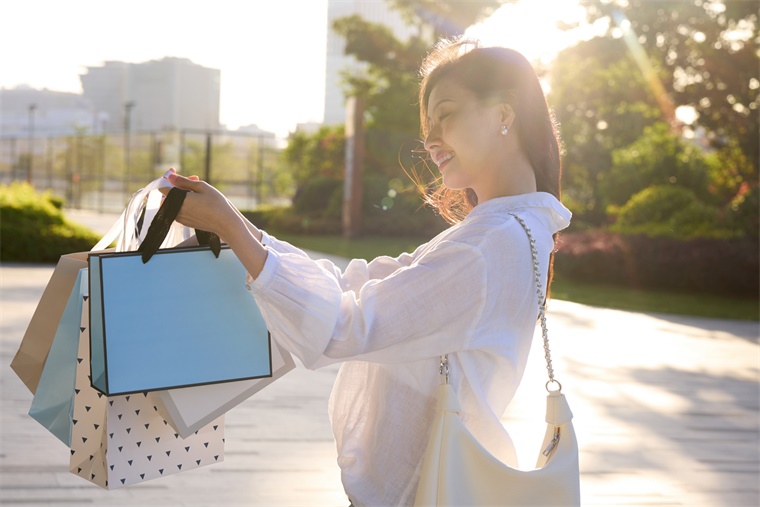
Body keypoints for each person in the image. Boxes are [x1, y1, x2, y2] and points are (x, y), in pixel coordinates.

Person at [162, 38, 571, 506]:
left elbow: (344, 327)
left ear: (503, 115)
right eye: (429, 124)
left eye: (448, 114)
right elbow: (355, 286)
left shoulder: (490, 245)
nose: (431, 140)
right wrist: (241, 231)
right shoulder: (502, 232)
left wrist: (232, 228)